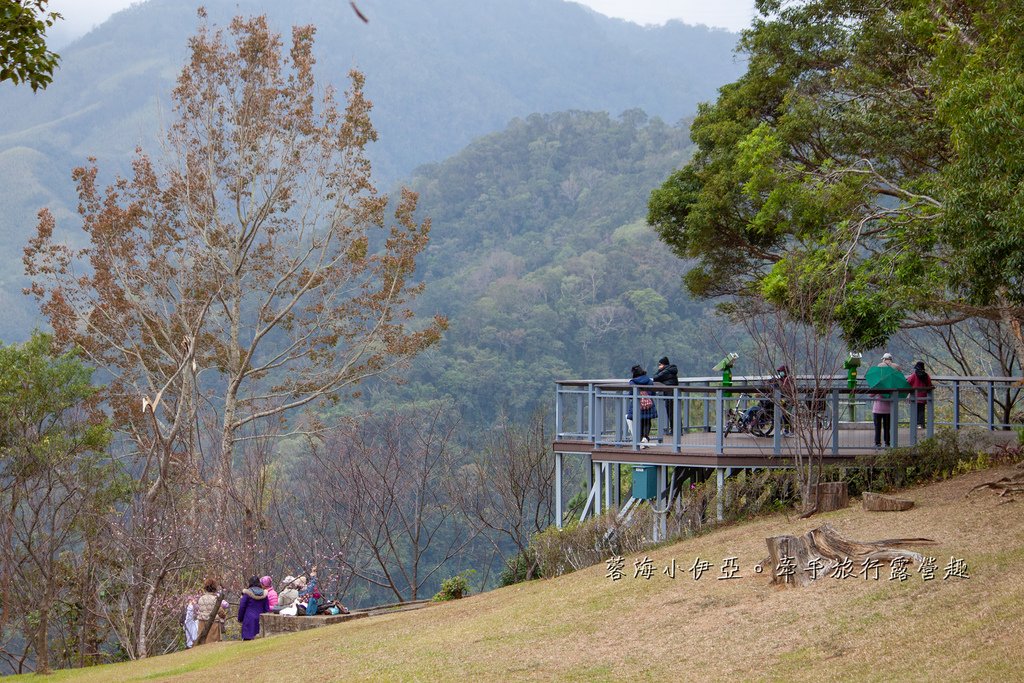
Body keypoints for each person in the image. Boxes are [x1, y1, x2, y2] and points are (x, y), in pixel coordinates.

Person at [625, 364, 657, 447]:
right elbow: (653, 393)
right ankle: (645, 438)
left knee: (637, 422)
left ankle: (639, 441)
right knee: (647, 421)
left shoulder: (632, 382)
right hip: (648, 406)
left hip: (637, 406)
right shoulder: (649, 381)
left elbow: (631, 394)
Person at [652, 356, 679, 436]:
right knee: (674, 411)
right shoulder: (671, 370)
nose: (659, 366)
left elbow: (655, 377)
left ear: (663, 364)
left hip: (669, 393)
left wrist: (659, 370)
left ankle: (674, 430)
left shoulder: (666, 371)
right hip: (674, 393)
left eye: (660, 364)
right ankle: (677, 429)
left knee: (670, 411)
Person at [237, 575, 270, 640]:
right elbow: (266, 608)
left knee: (248, 641)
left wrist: (240, 618)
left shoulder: (247, 594)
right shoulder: (264, 594)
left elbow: (242, 607)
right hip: (260, 619)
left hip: (249, 620)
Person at [196, 578, 223, 645]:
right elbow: (221, 612)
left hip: (202, 623)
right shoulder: (215, 599)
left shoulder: (201, 598)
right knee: (213, 644)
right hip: (213, 624)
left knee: (202, 644)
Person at [907, 360, 933, 429]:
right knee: (921, 411)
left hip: (914, 396)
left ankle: (914, 425)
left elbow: (908, 383)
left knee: (914, 411)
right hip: (923, 396)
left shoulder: (913, 375)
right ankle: (921, 425)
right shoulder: (926, 375)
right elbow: (929, 384)